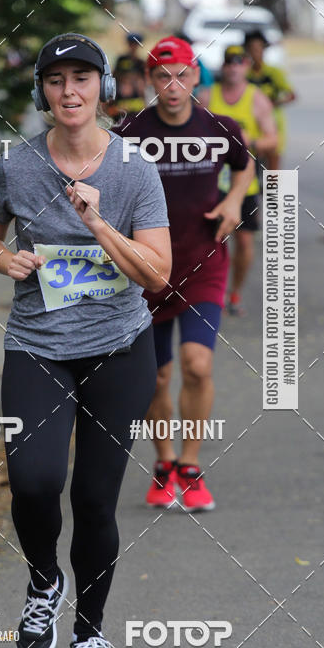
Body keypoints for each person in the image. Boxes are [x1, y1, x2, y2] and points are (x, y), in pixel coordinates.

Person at [0, 32, 171, 648]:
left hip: (120, 348)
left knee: (94, 499)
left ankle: (89, 634)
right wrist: (5, 260)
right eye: (56, 80)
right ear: (42, 92)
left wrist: (100, 225)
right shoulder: (17, 167)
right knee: (33, 482)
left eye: (82, 78)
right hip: (37, 346)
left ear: (103, 89)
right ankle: (43, 580)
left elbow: (158, 275)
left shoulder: (134, 169)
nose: (69, 91)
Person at [117, 36, 254, 511]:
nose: (172, 86)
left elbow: (244, 165)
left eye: (181, 76)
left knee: (197, 365)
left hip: (203, 264)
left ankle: (191, 468)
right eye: (162, 76)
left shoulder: (220, 127)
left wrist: (234, 201)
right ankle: (164, 463)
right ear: (150, 79)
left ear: (196, 77)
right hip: (147, 270)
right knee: (157, 378)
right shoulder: (128, 131)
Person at [198, 45, 277, 316]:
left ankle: (235, 293)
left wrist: (248, 142)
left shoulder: (257, 99)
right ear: (223, 66)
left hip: (245, 184)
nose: (233, 67)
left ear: (246, 66)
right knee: (211, 241)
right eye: (229, 62)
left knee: (243, 242)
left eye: (239, 62)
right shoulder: (208, 96)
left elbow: (272, 139)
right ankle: (210, 293)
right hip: (211, 182)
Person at [244, 30, 295, 170]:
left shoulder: (274, 72)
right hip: (252, 125)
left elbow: (291, 95)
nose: (256, 53)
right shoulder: (244, 73)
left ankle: (278, 185)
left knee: (274, 161)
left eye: (259, 49)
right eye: (252, 49)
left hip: (274, 122)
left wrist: (272, 104)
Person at [110, 32, 146, 118]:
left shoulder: (141, 62)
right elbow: (114, 75)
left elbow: (143, 81)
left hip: (135, 98)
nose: (133, 46)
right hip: (120, 97)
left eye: (135, 44)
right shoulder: (121, 59)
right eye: (131, 44)